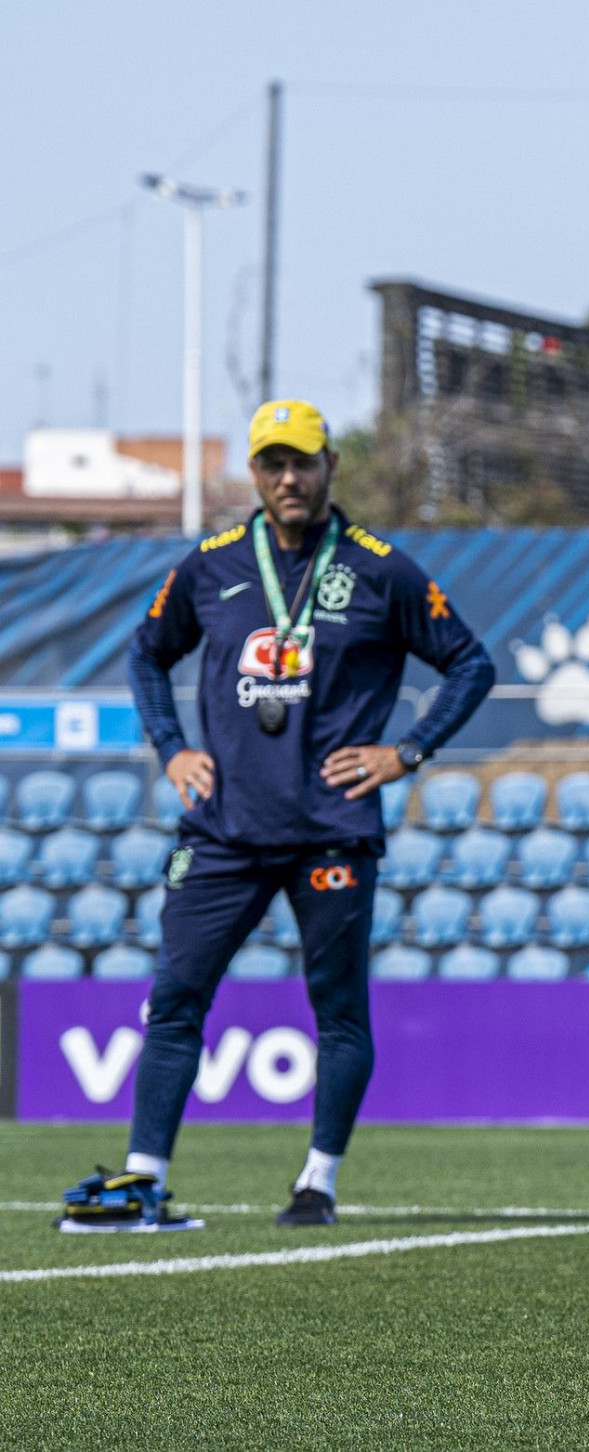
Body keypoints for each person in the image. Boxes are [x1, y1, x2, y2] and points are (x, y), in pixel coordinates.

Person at [58, 399, 495, 1234]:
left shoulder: (381, 570)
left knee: (338, 1010)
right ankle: (144, 1180)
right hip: (223, 828)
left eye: (301, 461)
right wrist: (170, 748)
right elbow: (146, 653)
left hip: (332, 828)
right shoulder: (211, 563)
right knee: (175, 998)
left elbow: (471, 663)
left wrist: (407, 751)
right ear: (255, 474)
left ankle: (316, 1183)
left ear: (331, 464)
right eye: (272, 464)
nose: (287, 478)